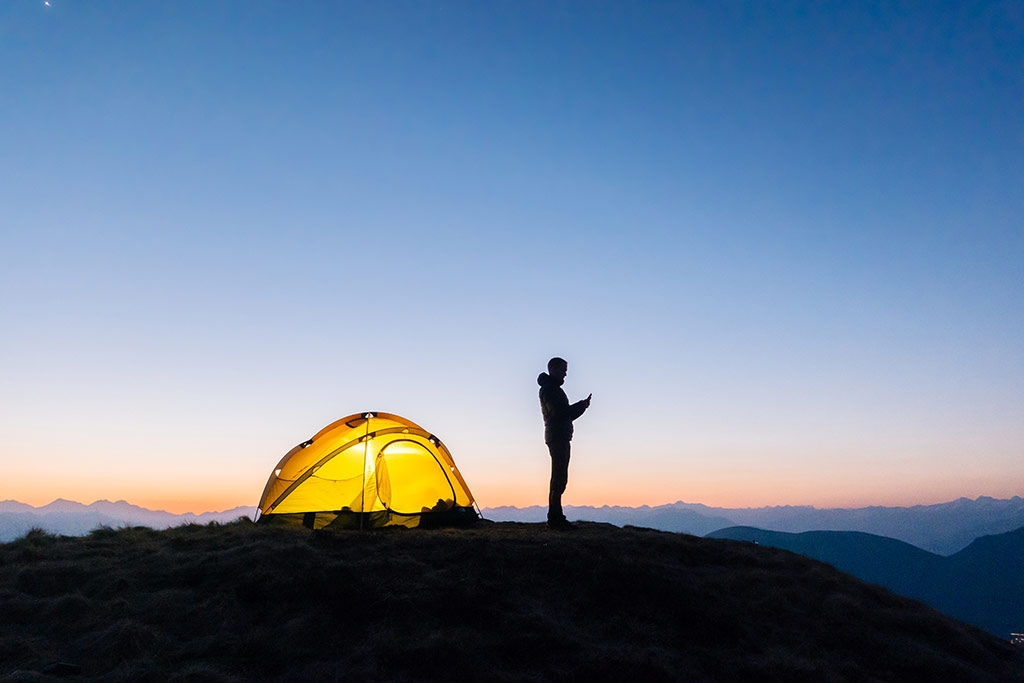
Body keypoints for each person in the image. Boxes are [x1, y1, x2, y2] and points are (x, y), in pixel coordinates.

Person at [537, 357, 591, 530]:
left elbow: (564, 414)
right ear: (552, 369)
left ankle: (555, 516)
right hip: (557, 437)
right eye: (562, 370)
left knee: (559, 477)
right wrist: (582, 405)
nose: (565, 374)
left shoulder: (551, 389)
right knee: (559, 478)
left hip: (557, 436)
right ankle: (555, 518)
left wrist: (582, 407)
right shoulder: (550, 390)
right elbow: (562, 413)